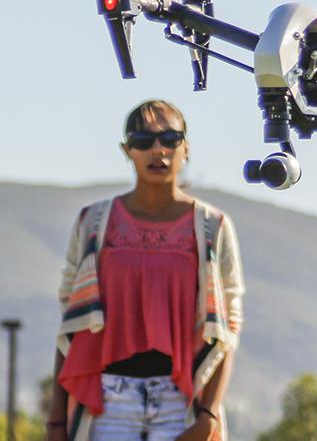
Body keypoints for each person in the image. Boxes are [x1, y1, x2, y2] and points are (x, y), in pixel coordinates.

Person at [45, 100, 245, 441]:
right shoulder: (93, 223)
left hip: (181, 403)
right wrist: (56, 424)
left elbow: (228, 327)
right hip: (106, 402)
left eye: (170, 138)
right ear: (127, 150)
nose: (158, 150)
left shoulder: (212, 226)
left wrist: (209, 416)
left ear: (186, 148)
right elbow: (72, 324)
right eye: (143, 141)